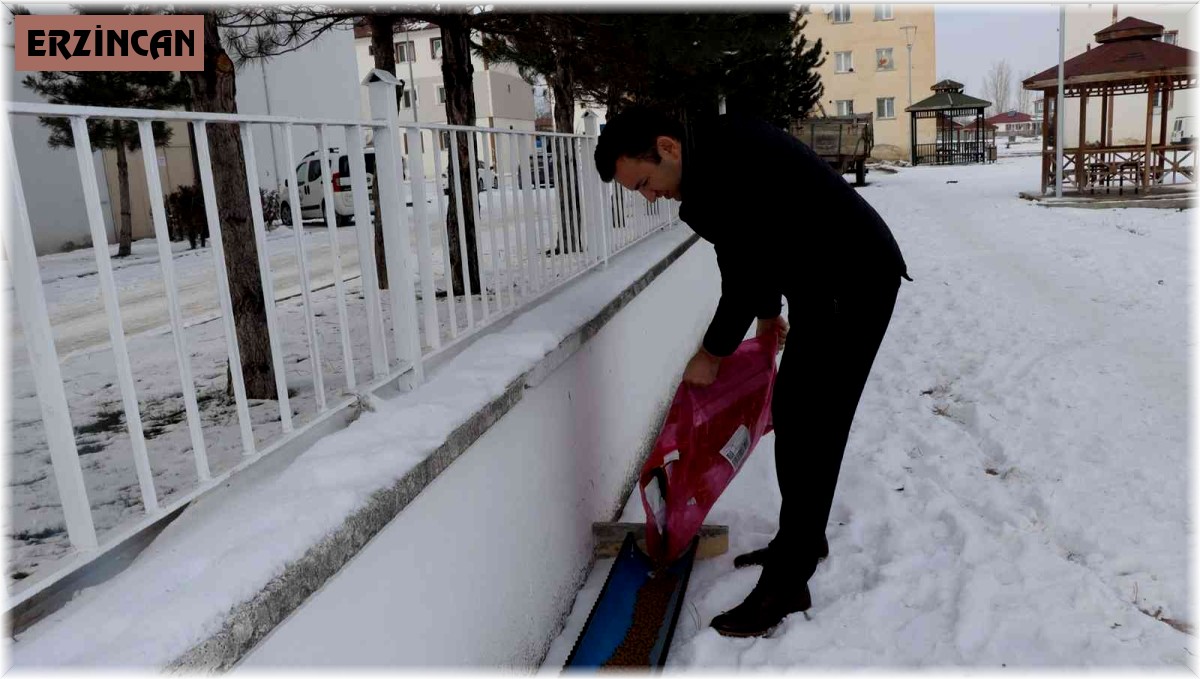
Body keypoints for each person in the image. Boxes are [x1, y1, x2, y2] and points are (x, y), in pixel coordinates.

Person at [594, 107, 910, 638]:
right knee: (793, 414)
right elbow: (746, 249)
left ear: (667, 148)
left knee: (812, 425)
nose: (649, 197)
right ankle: (801, 542)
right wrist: (768, 314)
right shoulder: (707, 161)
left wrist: (712, 353)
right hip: (821, 280)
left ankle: (790, 580)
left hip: (853, 280)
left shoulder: (724, 163)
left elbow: (742, 273)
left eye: (646, 183)